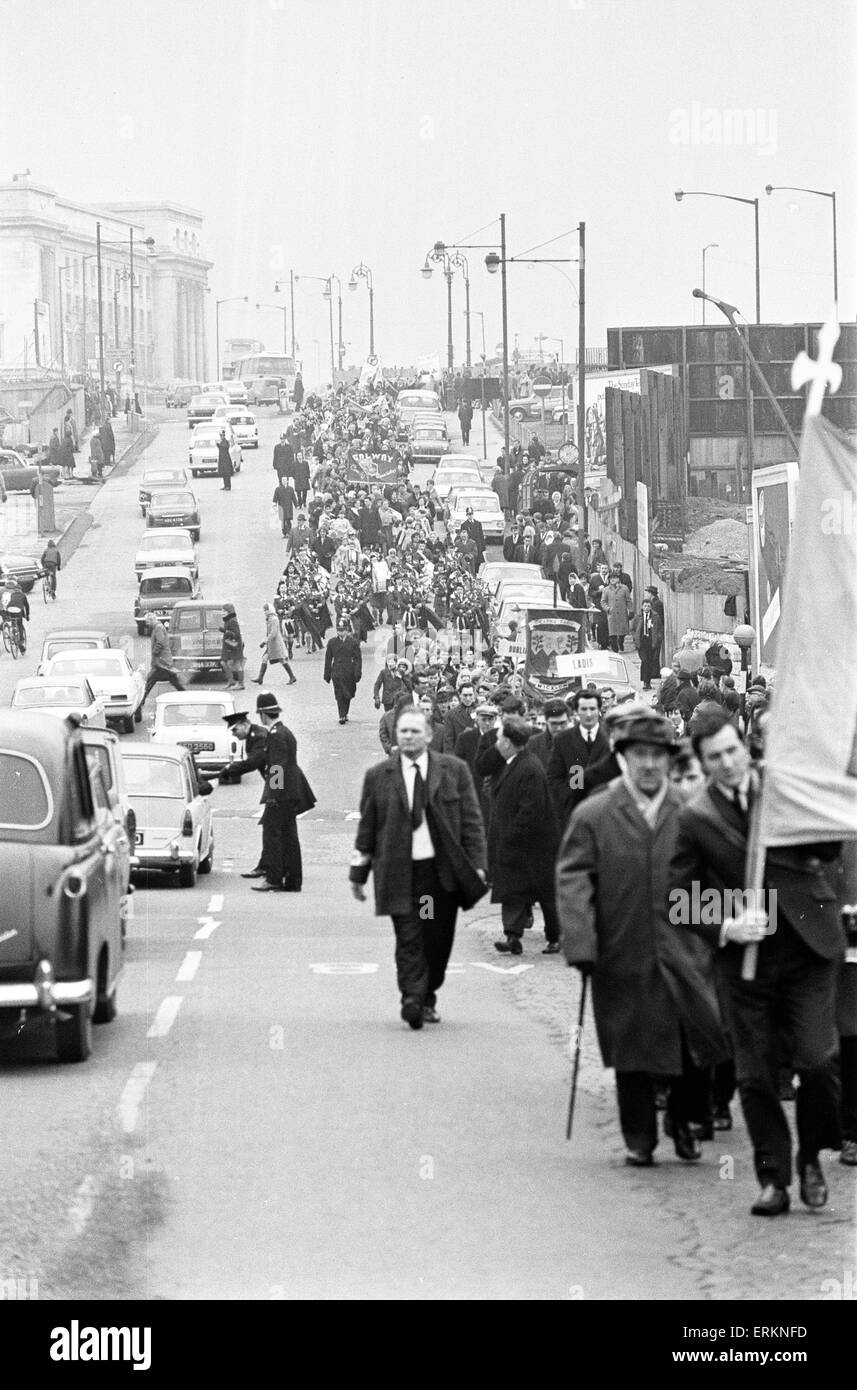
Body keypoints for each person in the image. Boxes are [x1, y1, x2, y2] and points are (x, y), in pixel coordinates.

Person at [671, 709, 844, 1216]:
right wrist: (725, 923)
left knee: (816, 1061)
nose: (727, 763)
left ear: (745, 744)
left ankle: (812, 1153)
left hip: (808, 943)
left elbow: (829, 848)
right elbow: (677, 895)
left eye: (732, 751)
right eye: (714, 758)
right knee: (755, 1075)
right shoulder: (695, 817)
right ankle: (775, 1179)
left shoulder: (783, 787)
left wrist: (815, 822)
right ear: (701, 763)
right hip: (745, 958)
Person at [557, 709, 728, 1166]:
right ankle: (639, 1137)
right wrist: (581, 942)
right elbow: (573, 878)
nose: (649, 764)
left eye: (657, 756)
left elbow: (713, 877)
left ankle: (686, 1119)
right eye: (639, 755)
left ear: (668, 760)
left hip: (685, 947)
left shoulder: (691, 811)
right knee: (630, 1043)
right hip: (621, 946)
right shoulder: (594, 813)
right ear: (624, 757)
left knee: (695, 1036)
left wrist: (720, 932)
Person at [349, 705, 487, 1029]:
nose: (408, 736)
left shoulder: (454, 771)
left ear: (428, 735)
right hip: (400, 873)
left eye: (414, 731)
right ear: (396, 736)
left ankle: (428, 994)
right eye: (403, 731)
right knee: (409, 936)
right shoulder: (378, 777)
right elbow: (367, 829)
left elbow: (471, 822)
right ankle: (412, 998)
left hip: (439, 876)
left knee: (436, 939)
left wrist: (478, 864)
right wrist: (358, 874)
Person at [479, 714, 563, 956]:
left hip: (534, 843)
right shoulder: (512, 762)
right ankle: (512, 936)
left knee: (546, 895)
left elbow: (531, 809)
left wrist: (512, 835)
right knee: (512, 890)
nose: (496, 742)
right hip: (513, 841)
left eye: (499, 738)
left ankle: (554, 937)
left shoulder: (529, 768)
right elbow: (482, 766)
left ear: (507, 742)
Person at [251, 692, 315, 893]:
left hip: (282, 794)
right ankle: (293, 880)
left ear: (263, 714)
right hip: (290, 793)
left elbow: (277, 767)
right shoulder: (284, 731)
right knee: (289, 836)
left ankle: (274, 878)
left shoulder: (276, 735)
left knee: (273, 835)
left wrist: (273, 795)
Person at [546, 689, 610, 824]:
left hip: (605, 811)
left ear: (599, 710)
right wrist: (568, 797)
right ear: (576, 711)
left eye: (592, 709)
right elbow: (553, 777)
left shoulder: (611, 738)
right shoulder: (563, 740)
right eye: (584, 709)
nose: (588, 714)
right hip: (573, 813)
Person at [323, 617, 362, 724]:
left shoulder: (353, 642)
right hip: (337, 672)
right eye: (339, 630)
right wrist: (327, 674)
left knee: (348, 694)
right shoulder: (332, 642)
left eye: (343, 630)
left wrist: (358, 672)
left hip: (349, 672)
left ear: (347, 630)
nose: (341, 632)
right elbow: (328, 659)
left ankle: (345, 712)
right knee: (339, 694)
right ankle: (341, 715)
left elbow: (358, 659)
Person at [141, 614, 185, 700]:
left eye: (148, 622)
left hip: (161, 662)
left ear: (152, 620)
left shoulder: (158, 628)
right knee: (174, 681)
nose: (147, 624)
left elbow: (160, 643)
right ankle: (185, 695)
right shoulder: (157, 627)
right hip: (162, 662)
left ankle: (141, 702)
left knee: (150, 682)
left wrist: (154, 652)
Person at [254, 602, 296, 686]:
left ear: (269, 610)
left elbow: (273, 633)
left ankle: (292, 676)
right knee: (265, 658)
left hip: (276, 644)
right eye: (264, 610)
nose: (264, 612)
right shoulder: (270, 618)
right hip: (272, 644)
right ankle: (260, 678)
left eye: (266, 610)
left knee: (281, 659)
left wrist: (265, 641)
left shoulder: (273, 619)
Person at [632, 597, 664, 690]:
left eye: (648, 606)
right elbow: (633, 628)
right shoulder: (638, 616)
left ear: (651, 607)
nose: (646, 608)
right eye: (645, 606)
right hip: (642, 642)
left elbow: (660, 629)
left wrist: (658, 638)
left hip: (651, 641)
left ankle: (647, 682)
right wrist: (635, 638)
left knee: (649, 662)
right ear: (642, 607)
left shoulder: (655, 616)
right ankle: (645, 681)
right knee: (644, 661)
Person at [220, 603, 245, 690]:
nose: (222, 612)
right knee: (223, 662)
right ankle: (231, 681)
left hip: (234, 646)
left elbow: (236, 635)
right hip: (228, 646)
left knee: (237, 664)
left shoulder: (232, 621)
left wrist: (225, 631)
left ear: (229, 612)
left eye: (224, 611)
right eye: (221, 611)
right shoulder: (227, 620)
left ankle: (241, 684)